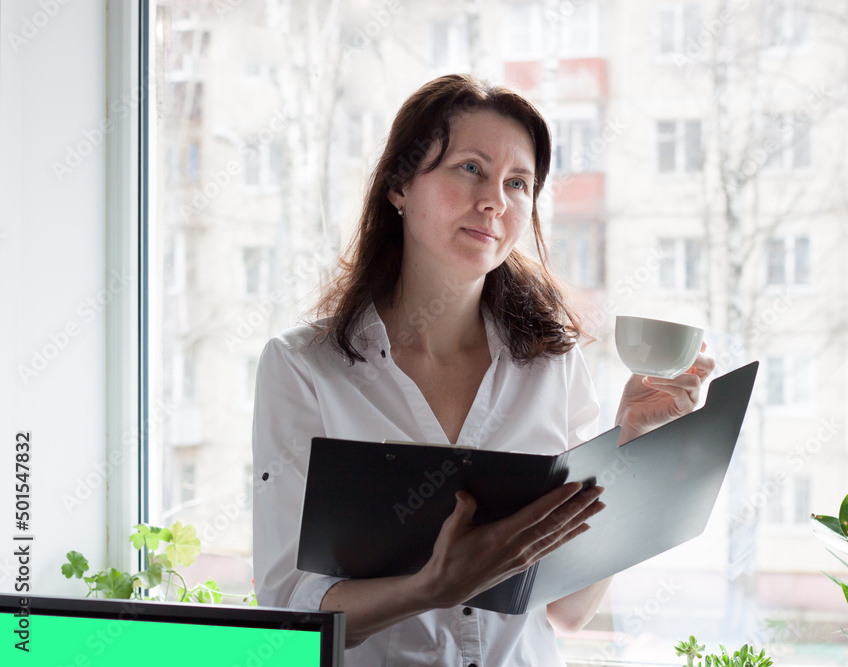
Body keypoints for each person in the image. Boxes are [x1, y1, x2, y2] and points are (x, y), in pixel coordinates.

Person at [252, 73, 714, 665]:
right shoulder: (302, 368)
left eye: (517, 182)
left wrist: (632, 443)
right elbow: (289, 612)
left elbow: (570, 610)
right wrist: (429, 589)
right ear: (399, 184)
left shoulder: (554, 364)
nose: (495, 200)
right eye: (470, 168)